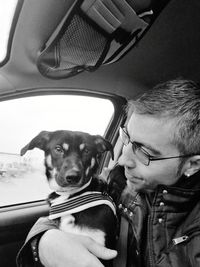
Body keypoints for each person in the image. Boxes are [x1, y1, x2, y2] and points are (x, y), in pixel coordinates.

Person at [17, 78, 200, 267]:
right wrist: (42, 242)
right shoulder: (116, 183)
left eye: (145, 152)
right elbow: (63, 214)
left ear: (192, 165)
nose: (122, 160)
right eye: (126, 138)